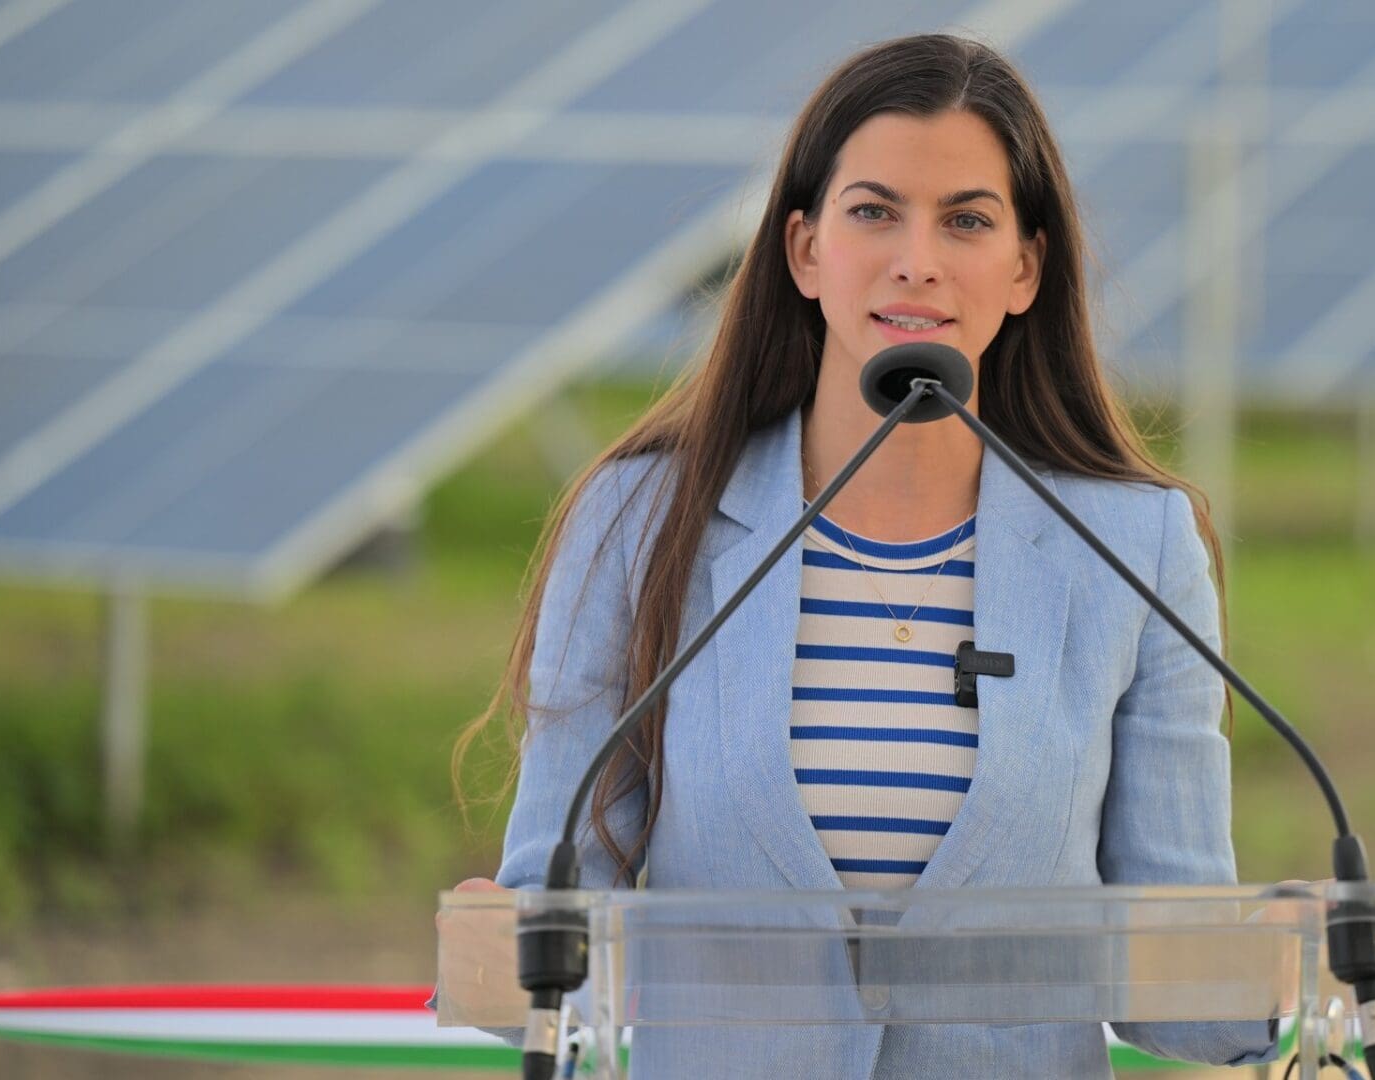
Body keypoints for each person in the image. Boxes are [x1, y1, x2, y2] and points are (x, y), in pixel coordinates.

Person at [451, 32, 1277, 1078]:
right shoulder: (638, 520)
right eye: (874, 211)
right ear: (804, 250)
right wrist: (504, 949)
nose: (916, 259)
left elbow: (1183, 989)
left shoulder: (1132, 549)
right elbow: (552, 944)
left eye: (967, 220)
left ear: (1026, 268)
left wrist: (1298, 965)